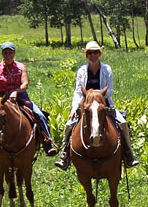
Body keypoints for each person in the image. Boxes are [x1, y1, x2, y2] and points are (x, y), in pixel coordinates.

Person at [54, 41, 138, 171]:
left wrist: (94, 94)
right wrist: (73, 108)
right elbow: (77, 91)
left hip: (103, 103)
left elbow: (109, 90)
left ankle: (128, 153)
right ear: (86, 55)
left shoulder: (107, 69)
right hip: (85, 104)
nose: (93, 55)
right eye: (90, 53)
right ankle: (64, 153)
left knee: (122, 123)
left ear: (100, 54)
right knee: (69, 125)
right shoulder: (82, 70)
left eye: (96, 52)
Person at [0, 41, 58, 157]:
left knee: (39, 115)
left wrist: (15, 92)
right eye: (5, 53)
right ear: (2, 54)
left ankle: (48, 142)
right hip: (1, 98)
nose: (8, 56)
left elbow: (25, 84)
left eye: (10, 53)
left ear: (14, 53)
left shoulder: (21, 67)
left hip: (21, 96)